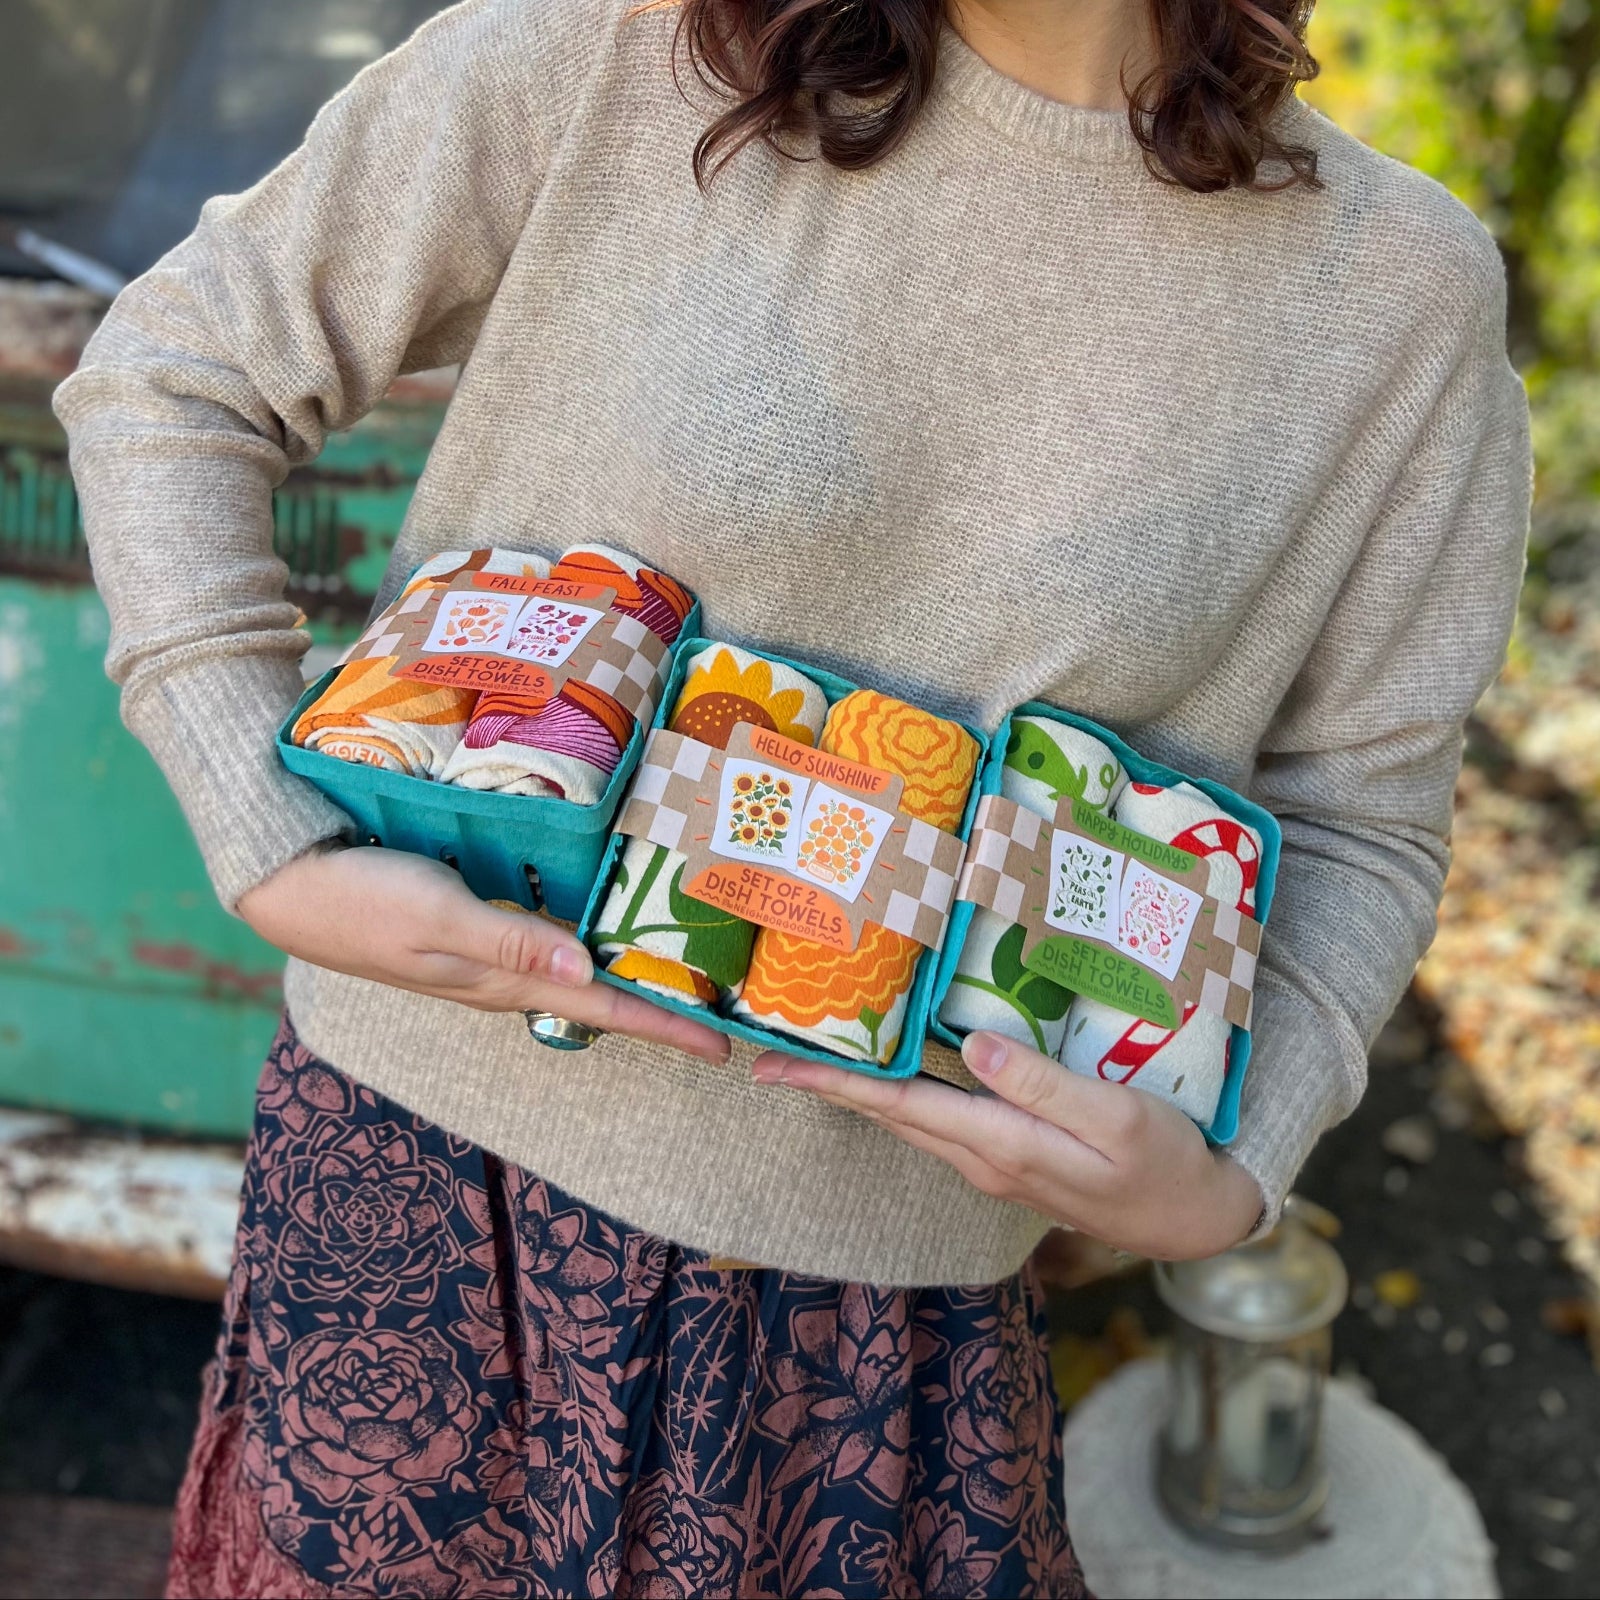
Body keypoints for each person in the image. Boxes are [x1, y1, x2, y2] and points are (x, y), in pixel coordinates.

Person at [56, 0, 1530, 1593]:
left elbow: (1364, 810)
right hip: (421, 1210)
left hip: (891, 1329)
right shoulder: (610, 52)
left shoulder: (1396, 293)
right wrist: (263, 833)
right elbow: (174, 376)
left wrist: (1241, 1162)